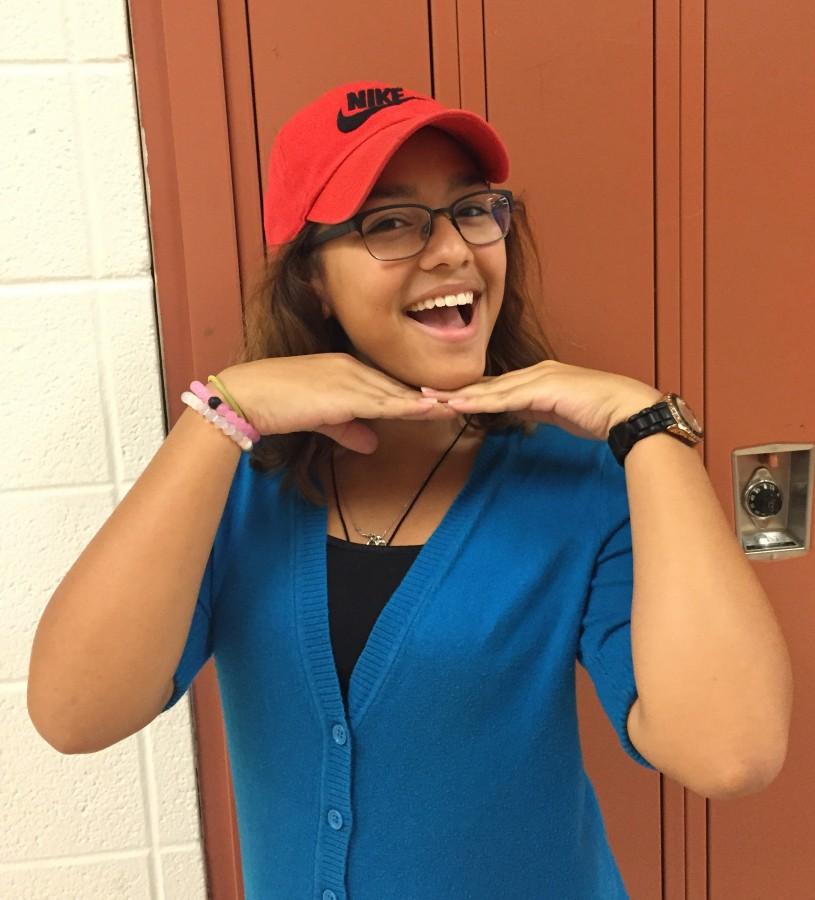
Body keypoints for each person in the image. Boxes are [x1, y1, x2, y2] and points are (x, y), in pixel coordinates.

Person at [28, 80, 792, 900]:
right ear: (312, 280)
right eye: (389, 222)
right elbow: (76, 715)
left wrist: (647, 428)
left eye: (472, 209)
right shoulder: (237, 485)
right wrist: (221, 414)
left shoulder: (578, 483)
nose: (454, 250)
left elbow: (730, 753)